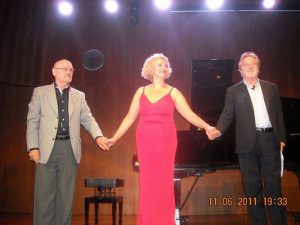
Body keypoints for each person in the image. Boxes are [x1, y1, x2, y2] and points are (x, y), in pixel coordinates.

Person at [106, 53, 215, 225]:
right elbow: (129, 118)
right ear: (150, 69)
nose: (164, 67)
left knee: (163, 182)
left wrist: (207, 126)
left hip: (166, 140)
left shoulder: (173, 92)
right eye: (160, 65)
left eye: (165, 65)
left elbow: (189, 114)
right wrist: (113, 138)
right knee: (148, 182)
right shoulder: (140, 91)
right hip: (145, 140)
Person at [26, 59, 108, 225]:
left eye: (71, 69)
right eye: (64, 69)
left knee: (66, 197)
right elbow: (32, 121)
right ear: (54, 71)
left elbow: (88, 119)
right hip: (46, 149)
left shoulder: (79, 96)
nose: (69, 71)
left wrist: (98, 136)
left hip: (70, 150)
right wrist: (33, 147)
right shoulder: (40, 92)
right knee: (44, 196)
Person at [212, 52, 287, 225]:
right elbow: (227, 115)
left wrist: (282, 138)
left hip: (270, 141)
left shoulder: (271, 87)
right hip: (247, 145)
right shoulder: (233, 91)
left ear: (259, 67)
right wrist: (218, 131)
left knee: (274, 188)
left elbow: (278, 114)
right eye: (246, 64)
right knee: (252, 190)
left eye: (254, 64)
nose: (250, 66)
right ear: (240, 69)